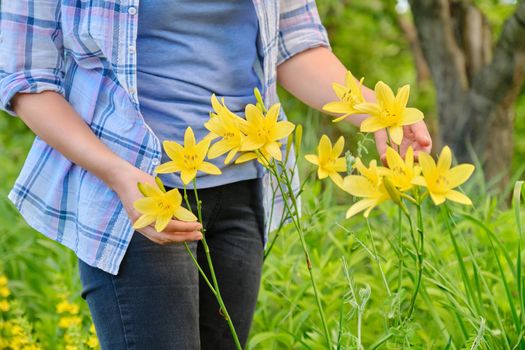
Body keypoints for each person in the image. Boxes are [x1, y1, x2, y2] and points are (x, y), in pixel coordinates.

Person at [0, 1, 432, 349]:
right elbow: (26, 80)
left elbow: (296, 47)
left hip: (242, 189)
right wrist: (115, 173)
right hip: (135, 194)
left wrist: (377, 113)